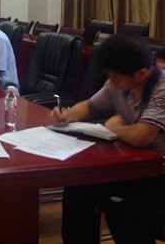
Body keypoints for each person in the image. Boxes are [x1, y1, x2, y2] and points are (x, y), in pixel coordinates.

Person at [49, 34, 165, 244]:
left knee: (125, 214)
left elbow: (142, 137)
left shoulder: (161, 87)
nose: (111, 82)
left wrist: (116, 127)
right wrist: (67, 116)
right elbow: (90, 107)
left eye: (116, 78)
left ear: (141, 74)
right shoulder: (118, 83)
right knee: (78, 186)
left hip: (160, 174)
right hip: (136, 167)